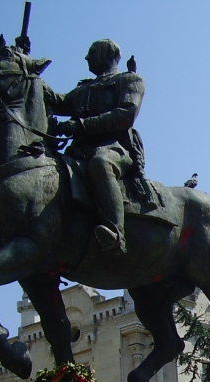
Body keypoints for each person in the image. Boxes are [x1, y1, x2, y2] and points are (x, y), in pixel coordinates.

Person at [50, 39, 146, 256]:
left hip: (115, 149)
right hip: (79, 151)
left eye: (91, 52)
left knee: (100, 163)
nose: (87, 58)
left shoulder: (129, 80)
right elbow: (54, 101)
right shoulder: (84, 89)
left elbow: (125, 115)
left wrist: (79, 126)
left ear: (107, 54)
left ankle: (116, 233)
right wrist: (26, 65)